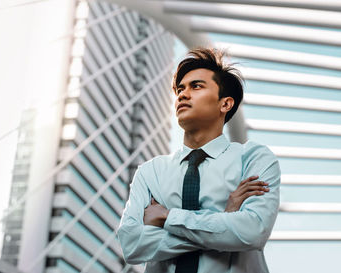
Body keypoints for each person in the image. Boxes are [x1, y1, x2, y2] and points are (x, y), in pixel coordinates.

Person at [117, 48, 280, 273]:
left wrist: (168, 217)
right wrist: (224, 221)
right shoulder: (150, 172)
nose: (182, 94)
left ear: (225, 104)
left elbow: (253, 232)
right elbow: (132, 245)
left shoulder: (253, 159)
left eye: (196, 86)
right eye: (180, 89)